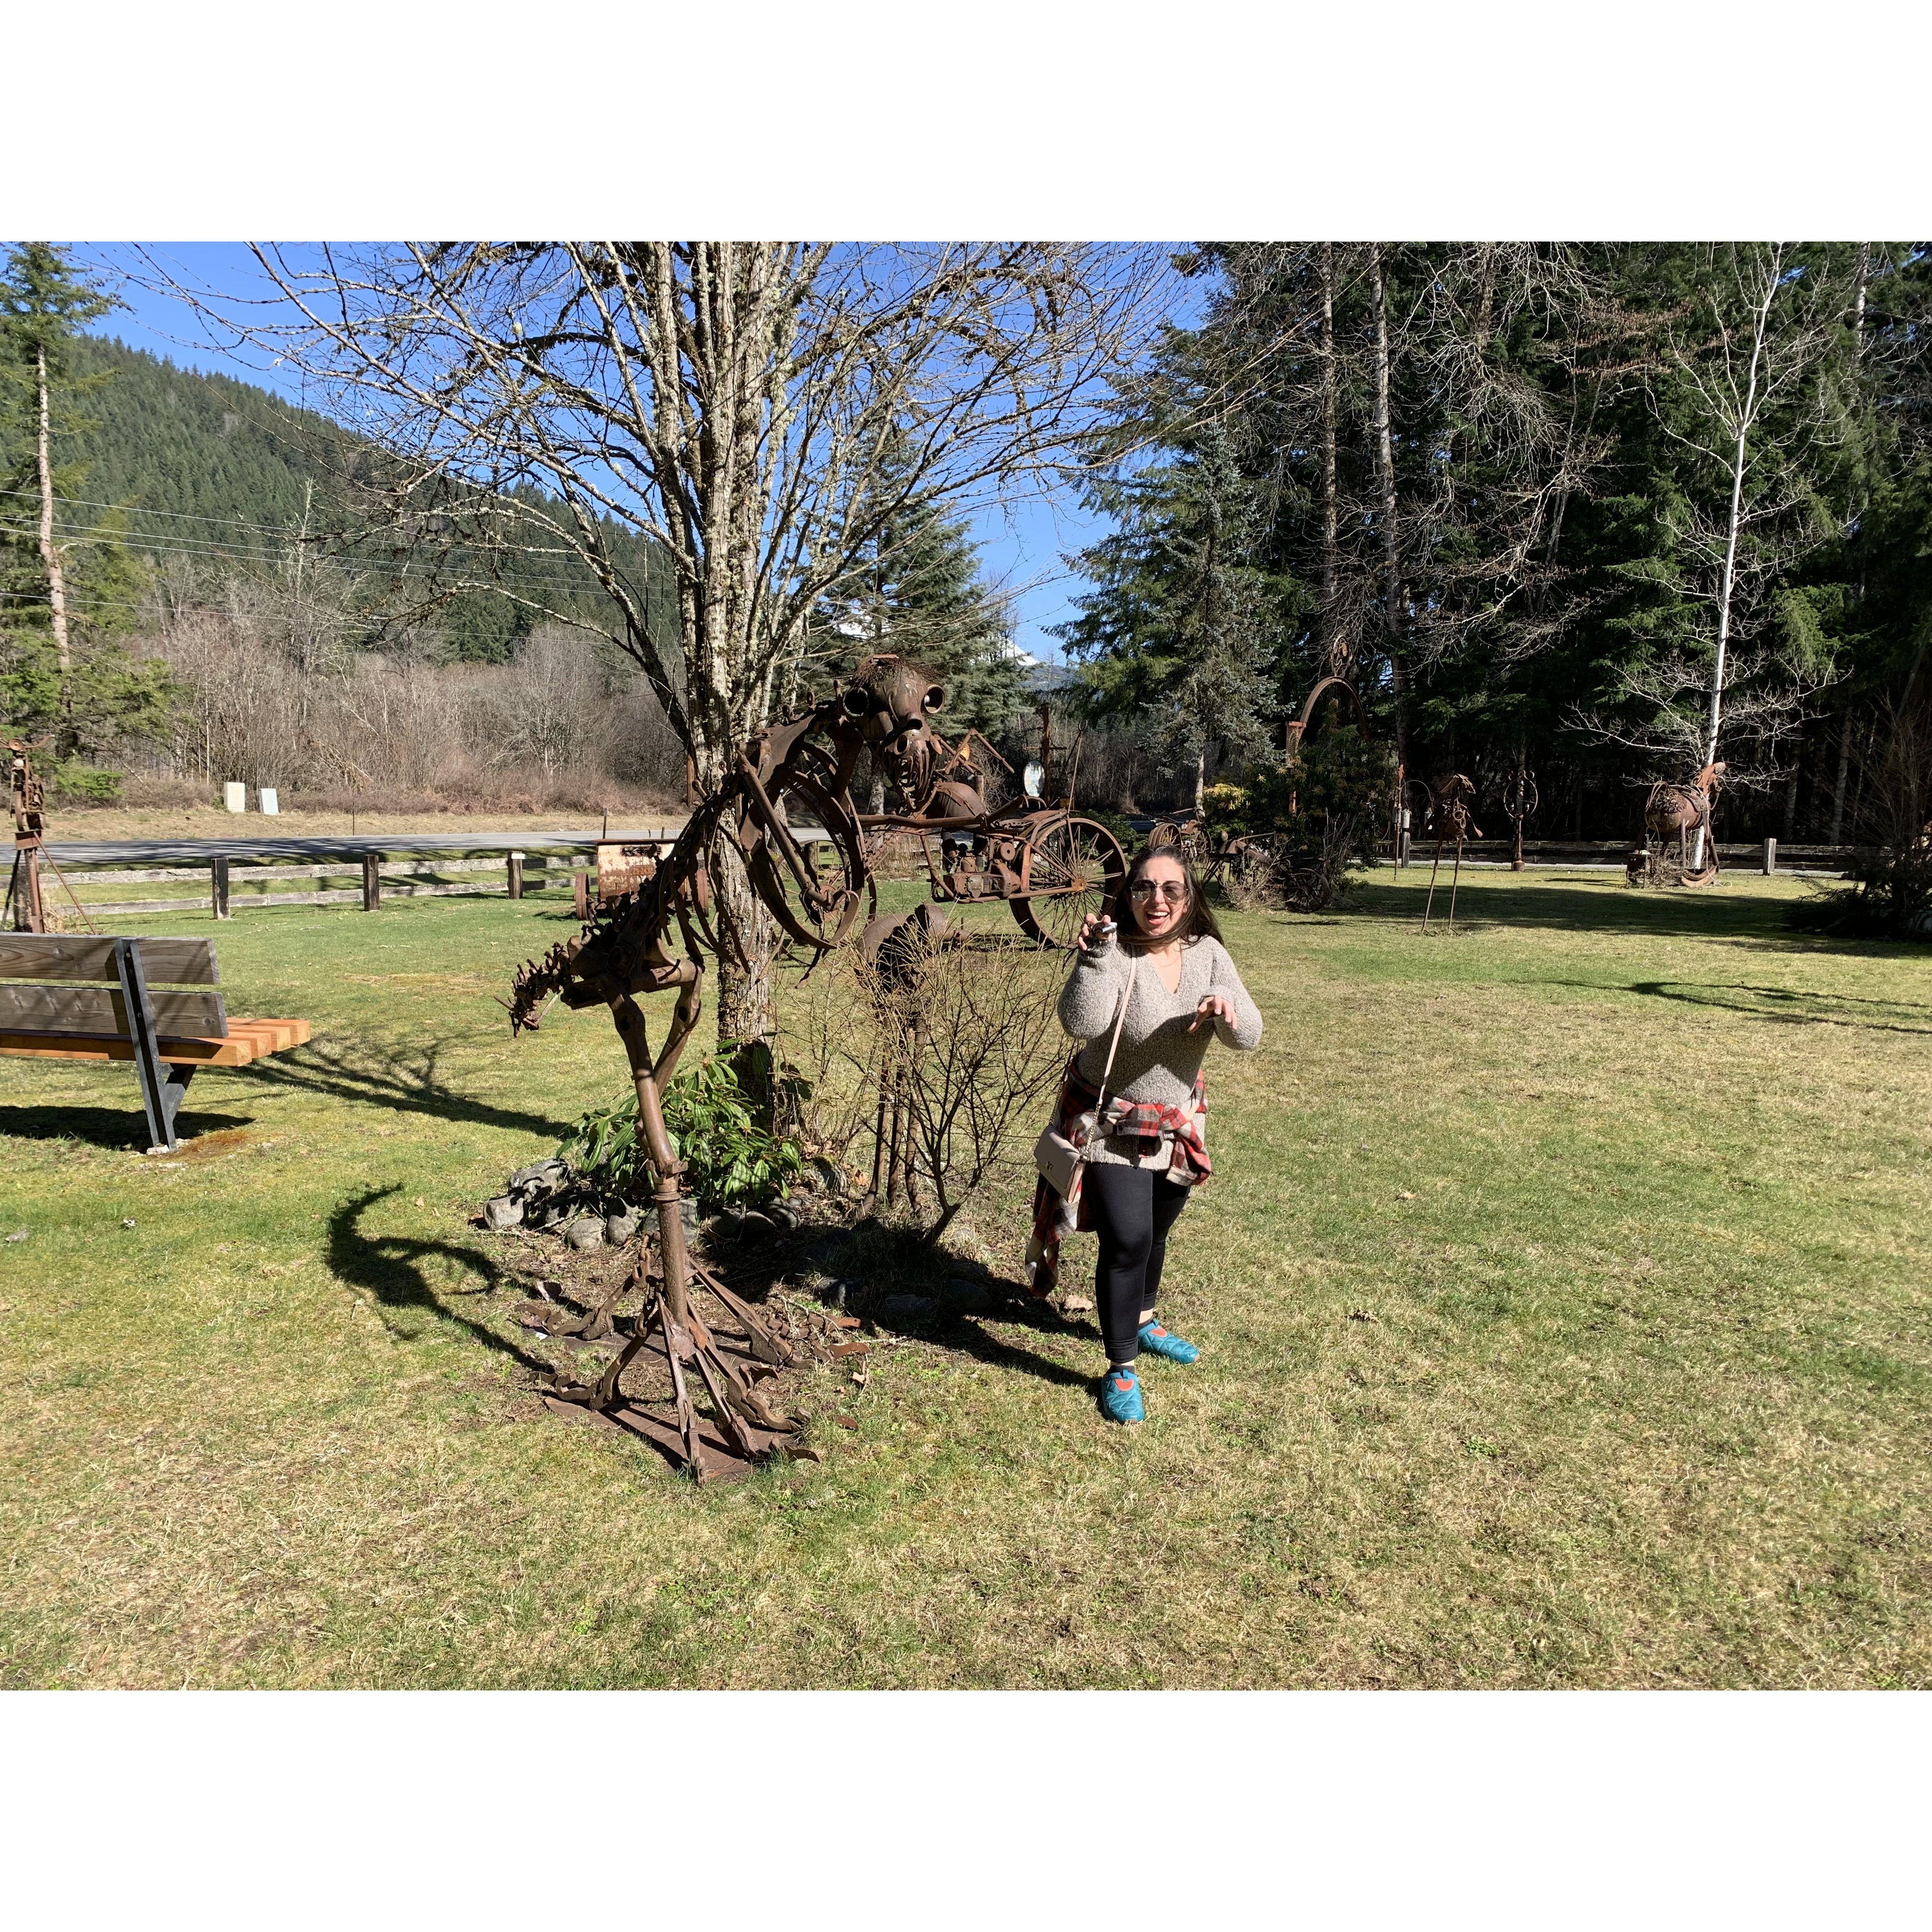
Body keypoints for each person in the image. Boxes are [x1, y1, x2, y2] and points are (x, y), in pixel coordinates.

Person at [1052, 846, 1263, 1425]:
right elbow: (1080, 1022)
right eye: (1145, 888)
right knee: (1128, 1240)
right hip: (1110, 1122)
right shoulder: (1115, 951)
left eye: (1171, 889)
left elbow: (1249, 1037)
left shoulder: (1209, 954)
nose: (1158, 900)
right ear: (1129, 896)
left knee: (1157, 1229)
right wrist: (1093, 959)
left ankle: (1143, 1320)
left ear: (1189, 898)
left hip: (1176, 1123)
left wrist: (1226, 1009)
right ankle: (1121, 1366)